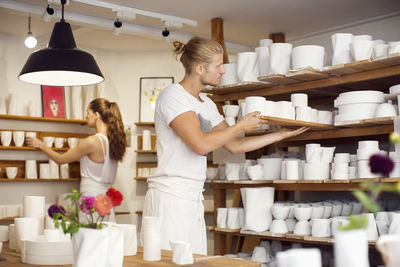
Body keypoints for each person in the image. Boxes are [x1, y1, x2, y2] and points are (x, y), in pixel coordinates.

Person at [142, 36, 309, 254]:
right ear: (200, 68)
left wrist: (280, 135)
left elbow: (234, 146)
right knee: (169, 261)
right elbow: (200, 145)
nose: (223, 71)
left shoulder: (207, 104)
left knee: (194, 260)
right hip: (170, 196)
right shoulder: (173, 96)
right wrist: (239, 125)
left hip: (192, 196)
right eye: (218, 65)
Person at [26, 98, 126, 220]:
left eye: (88, 113)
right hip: (105, 199)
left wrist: (41, 144)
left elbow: (60, 159)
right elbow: (94, 164)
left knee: (89, 234)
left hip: (91, 198)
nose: (86, 117)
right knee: (103, 235)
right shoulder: (112, 141)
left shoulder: (92, 141)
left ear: (96, 115)